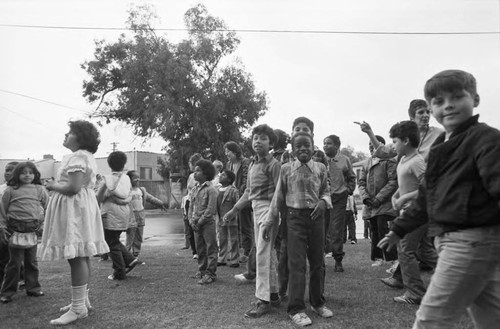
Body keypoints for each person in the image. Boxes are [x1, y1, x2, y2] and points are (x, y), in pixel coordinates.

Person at [379, 69, 500, 328]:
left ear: (475, 99)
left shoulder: (485, 139)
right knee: (490, 318)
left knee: (430, 320)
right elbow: (425, 199)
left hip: (469, 242)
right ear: (432, 109)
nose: (448, 105)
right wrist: (399, 229)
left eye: (457, 97)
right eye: (438, 101)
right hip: (454, 241)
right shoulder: (438, 150)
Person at [38, 120, 109, 325]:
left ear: (80, 138)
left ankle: (78, 308)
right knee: (81, 254)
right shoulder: (85, 157)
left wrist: (53, 185)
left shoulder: (77, 156)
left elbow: (73, 188)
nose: (65, 135)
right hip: (80, 207)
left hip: (74, 209)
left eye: (70, 132)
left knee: (76, 256)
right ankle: (82, 301)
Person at [266, 131, 333, 326]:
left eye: (307, 145)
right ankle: (296, 309)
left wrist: (323, 201)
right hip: (294, 219)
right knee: (296, 264)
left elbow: (325, 190)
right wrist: (270, 221)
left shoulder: (321, 167)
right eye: (299, 146)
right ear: (293, 150)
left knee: (318, 262)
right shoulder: (286, 169)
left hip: (316, 218)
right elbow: (278, 197)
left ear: (313, 147)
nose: (303, 148)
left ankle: (318, 303)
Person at [224, 124, 281, 318]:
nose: (258, 141)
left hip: (268, 210)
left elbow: (278, 194)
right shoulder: (252, 164)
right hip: (256, 208)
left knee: (263, 254)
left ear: (271, 143)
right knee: (268, 253)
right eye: (255, 137)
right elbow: (249, 191)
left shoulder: (274, 164)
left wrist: (270, 218)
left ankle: (262, 300)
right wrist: (234, 210)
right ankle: (273, 294)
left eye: (263, 138)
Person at [381, 120, 435, 305]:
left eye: (394, 141)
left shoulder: (417, 161)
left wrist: (405, 198)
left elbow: (428, 187)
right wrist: (396, 195)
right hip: (408, 210)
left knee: (405, 250)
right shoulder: (403, 160)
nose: (393, 145)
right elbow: (403, 183)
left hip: (416, 212)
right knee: (425, 251)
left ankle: (415, 293)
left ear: (405, 140)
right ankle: (458, 278)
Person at [0, 162, 48, 303]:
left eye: (30, 172)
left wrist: (43, 223)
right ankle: (7, 292)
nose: (27, 175)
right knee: (13, 264)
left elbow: (49, 207)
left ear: (35, 175)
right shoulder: (10, 190)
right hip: (14, 230)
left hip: (32, 230)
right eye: (23, 172)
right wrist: (2, 227)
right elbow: (2, 210)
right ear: (17, 174)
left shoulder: (40, 189)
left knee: (31, 262)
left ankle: (33, 289)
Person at [96, 151, 139, 281]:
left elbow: (100, 197)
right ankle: (130, 260)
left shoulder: (107, 180)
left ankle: (119, 271)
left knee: (110, 242)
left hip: (110, 214)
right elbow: (129, 194)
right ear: (123, 164)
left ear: (109, 164)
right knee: (114, 240)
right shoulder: (126, 179)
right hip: (124, 213)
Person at [358, 135, 398, 267]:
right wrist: (366, 198)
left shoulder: (389, 161)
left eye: (373, 144)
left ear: (381, 146)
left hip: (384, 203)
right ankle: (377, 258)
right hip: (370, 204)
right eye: (369, 144)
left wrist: (379, 198)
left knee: (383, 228)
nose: (371, 146)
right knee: (373, 229)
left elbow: (393, 182)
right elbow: (361, 182)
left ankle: (392, 258)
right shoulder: (366, 163)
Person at [323, 134, 356, 272]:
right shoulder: (320, 159)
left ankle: (338, 260)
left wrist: (348, 190)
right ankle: (320, 258)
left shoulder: (344, 160)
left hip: (338, 199)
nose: (325, 146)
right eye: (324, 143)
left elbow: (351, 177)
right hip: (322, 199)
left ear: (337, 146)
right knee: (322, 229)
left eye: (329, 143)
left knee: (336, 229)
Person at [189, 159, 218, 285]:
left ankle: (210, 274)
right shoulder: (195, 189)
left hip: (207, 223)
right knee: (200, 248)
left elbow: (210, 210)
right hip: (196, 223)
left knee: (210, 248)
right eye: (194, 171)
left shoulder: (211, 190)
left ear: (206, 173)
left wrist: (199, 222)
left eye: (198, 171)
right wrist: (191, 220)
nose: (195, 173)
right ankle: (202, 270)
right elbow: (190, 206)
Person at [125, 170, 167, 258]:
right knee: (130, 236)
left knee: (139, 236)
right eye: (135, 178)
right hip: (131, 216)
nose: (137, 179)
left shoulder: (141, 190)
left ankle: (135, 255)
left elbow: (150, 198)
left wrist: (160, 203)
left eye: (138, 177)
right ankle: (126, 255)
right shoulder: (126, 190)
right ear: (129, 179)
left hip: (140, 215)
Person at [224, 141, 253, 264]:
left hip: (242, 198)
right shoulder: (229, 164)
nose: (226, 154)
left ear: (235, 151)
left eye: (228, 152)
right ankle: (235, 252)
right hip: (232, 197)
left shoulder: (246, 162)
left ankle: (247, 252)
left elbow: (247, 181)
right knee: (233, 226)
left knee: (245, 225)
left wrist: (239, 196)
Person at [0, 162, 18, 287]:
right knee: (4, 257)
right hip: (3, 226)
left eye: (11, 170)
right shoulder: (2, 188)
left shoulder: (22, 189)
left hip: (17, 226)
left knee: (17, 257)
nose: (7, 173)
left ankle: (23, 280)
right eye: (6, 170)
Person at [216, 170, 240, 267]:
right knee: (222, 239)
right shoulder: (217, 190)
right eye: (221, 174)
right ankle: (222, 258)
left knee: (233, 239)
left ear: (229, 179)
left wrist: (233, 214)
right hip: (220, 219)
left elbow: (237, 204)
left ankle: (234, 260)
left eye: (223, 175)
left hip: (231, 219)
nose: (221, 176)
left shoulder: (233, 190)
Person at [181, 153, 202, 258]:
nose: (189, 166)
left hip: (197, 201)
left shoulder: (202, 175)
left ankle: (200, 249)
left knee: (197, 224)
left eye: (190, 163)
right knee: (189, 226)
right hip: (189, 201)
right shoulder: (190, 176)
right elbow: (188, 191)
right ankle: (194, 251)